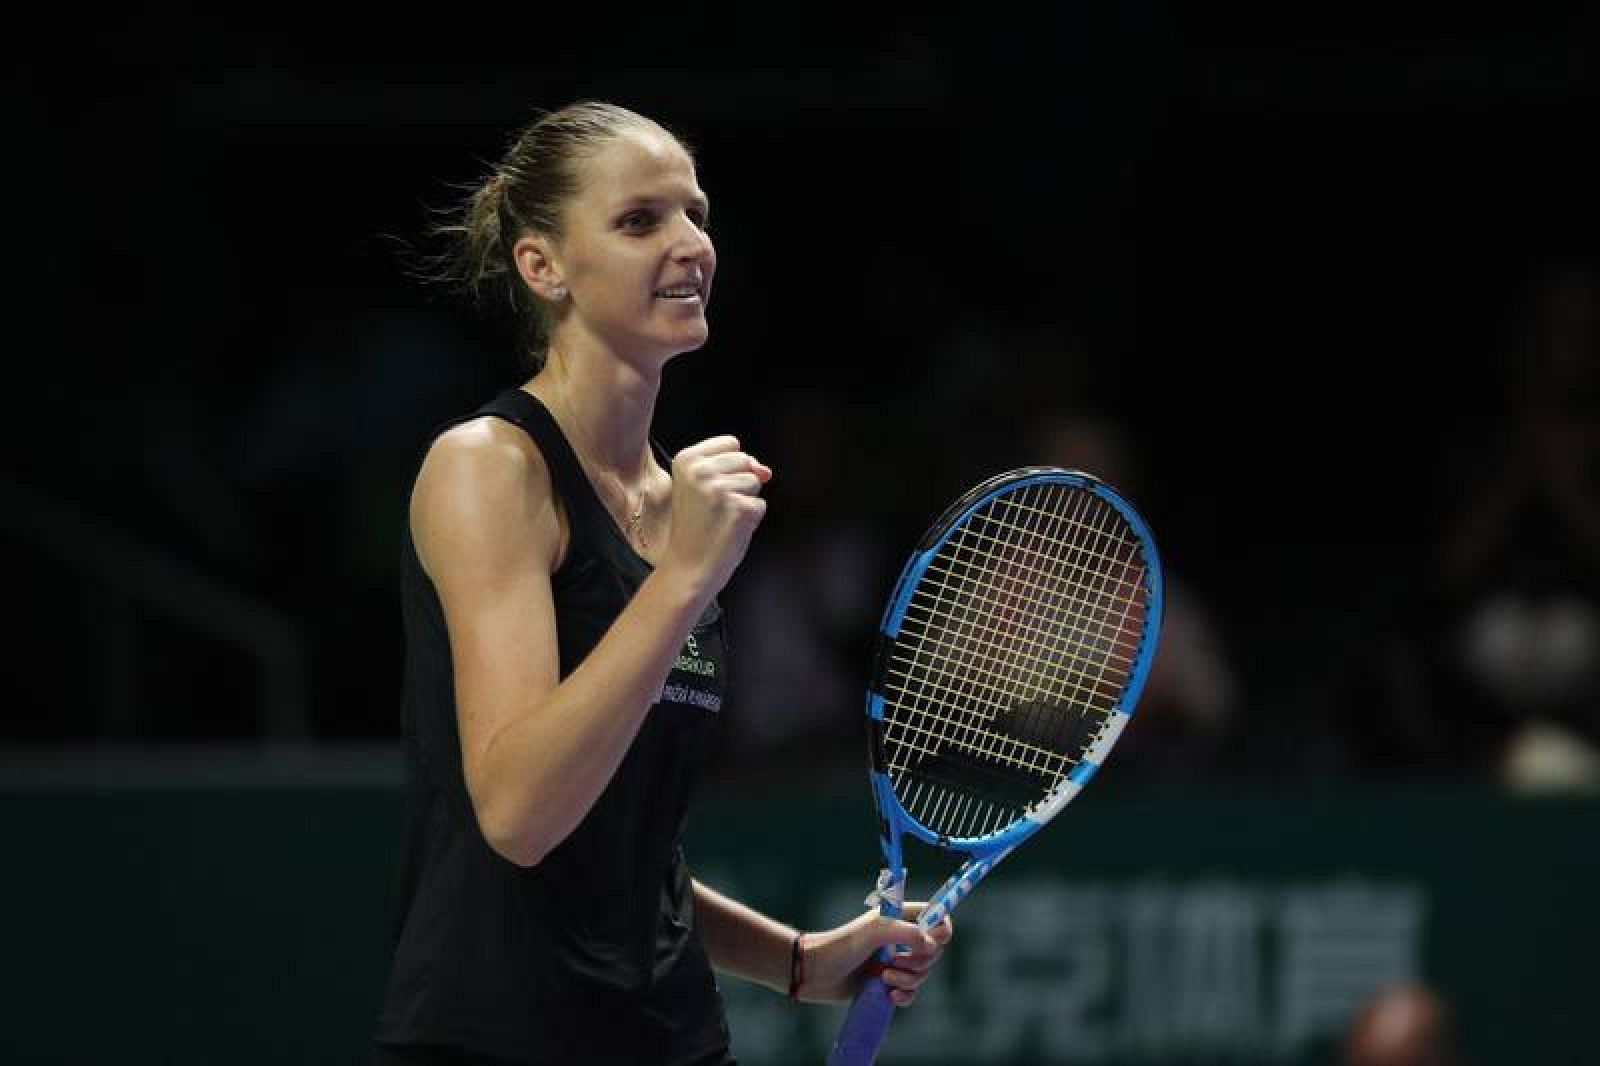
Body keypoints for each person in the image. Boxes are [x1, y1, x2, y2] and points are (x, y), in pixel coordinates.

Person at [372, 101, 951, 1065]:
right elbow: (518, 814)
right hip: (494, 1039)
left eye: (696, 213)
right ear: (541, 265)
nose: (690, 244)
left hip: (672, 1038)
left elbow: (622, 843)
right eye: (640, 221)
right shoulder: (491, 469)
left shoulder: (669, 500)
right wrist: (682, 579)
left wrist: (800, 961)